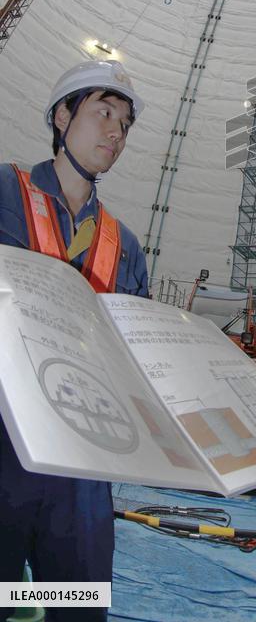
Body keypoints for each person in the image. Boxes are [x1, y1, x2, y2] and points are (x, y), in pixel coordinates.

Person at [0, 60, 149, 622]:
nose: (116, 133)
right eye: (103, 112)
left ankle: (28, 605)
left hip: (82, 467)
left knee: (77, 604)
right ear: (62, 116)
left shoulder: (125, 245)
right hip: (4, 447)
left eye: (126, 124)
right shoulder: (3, 191)